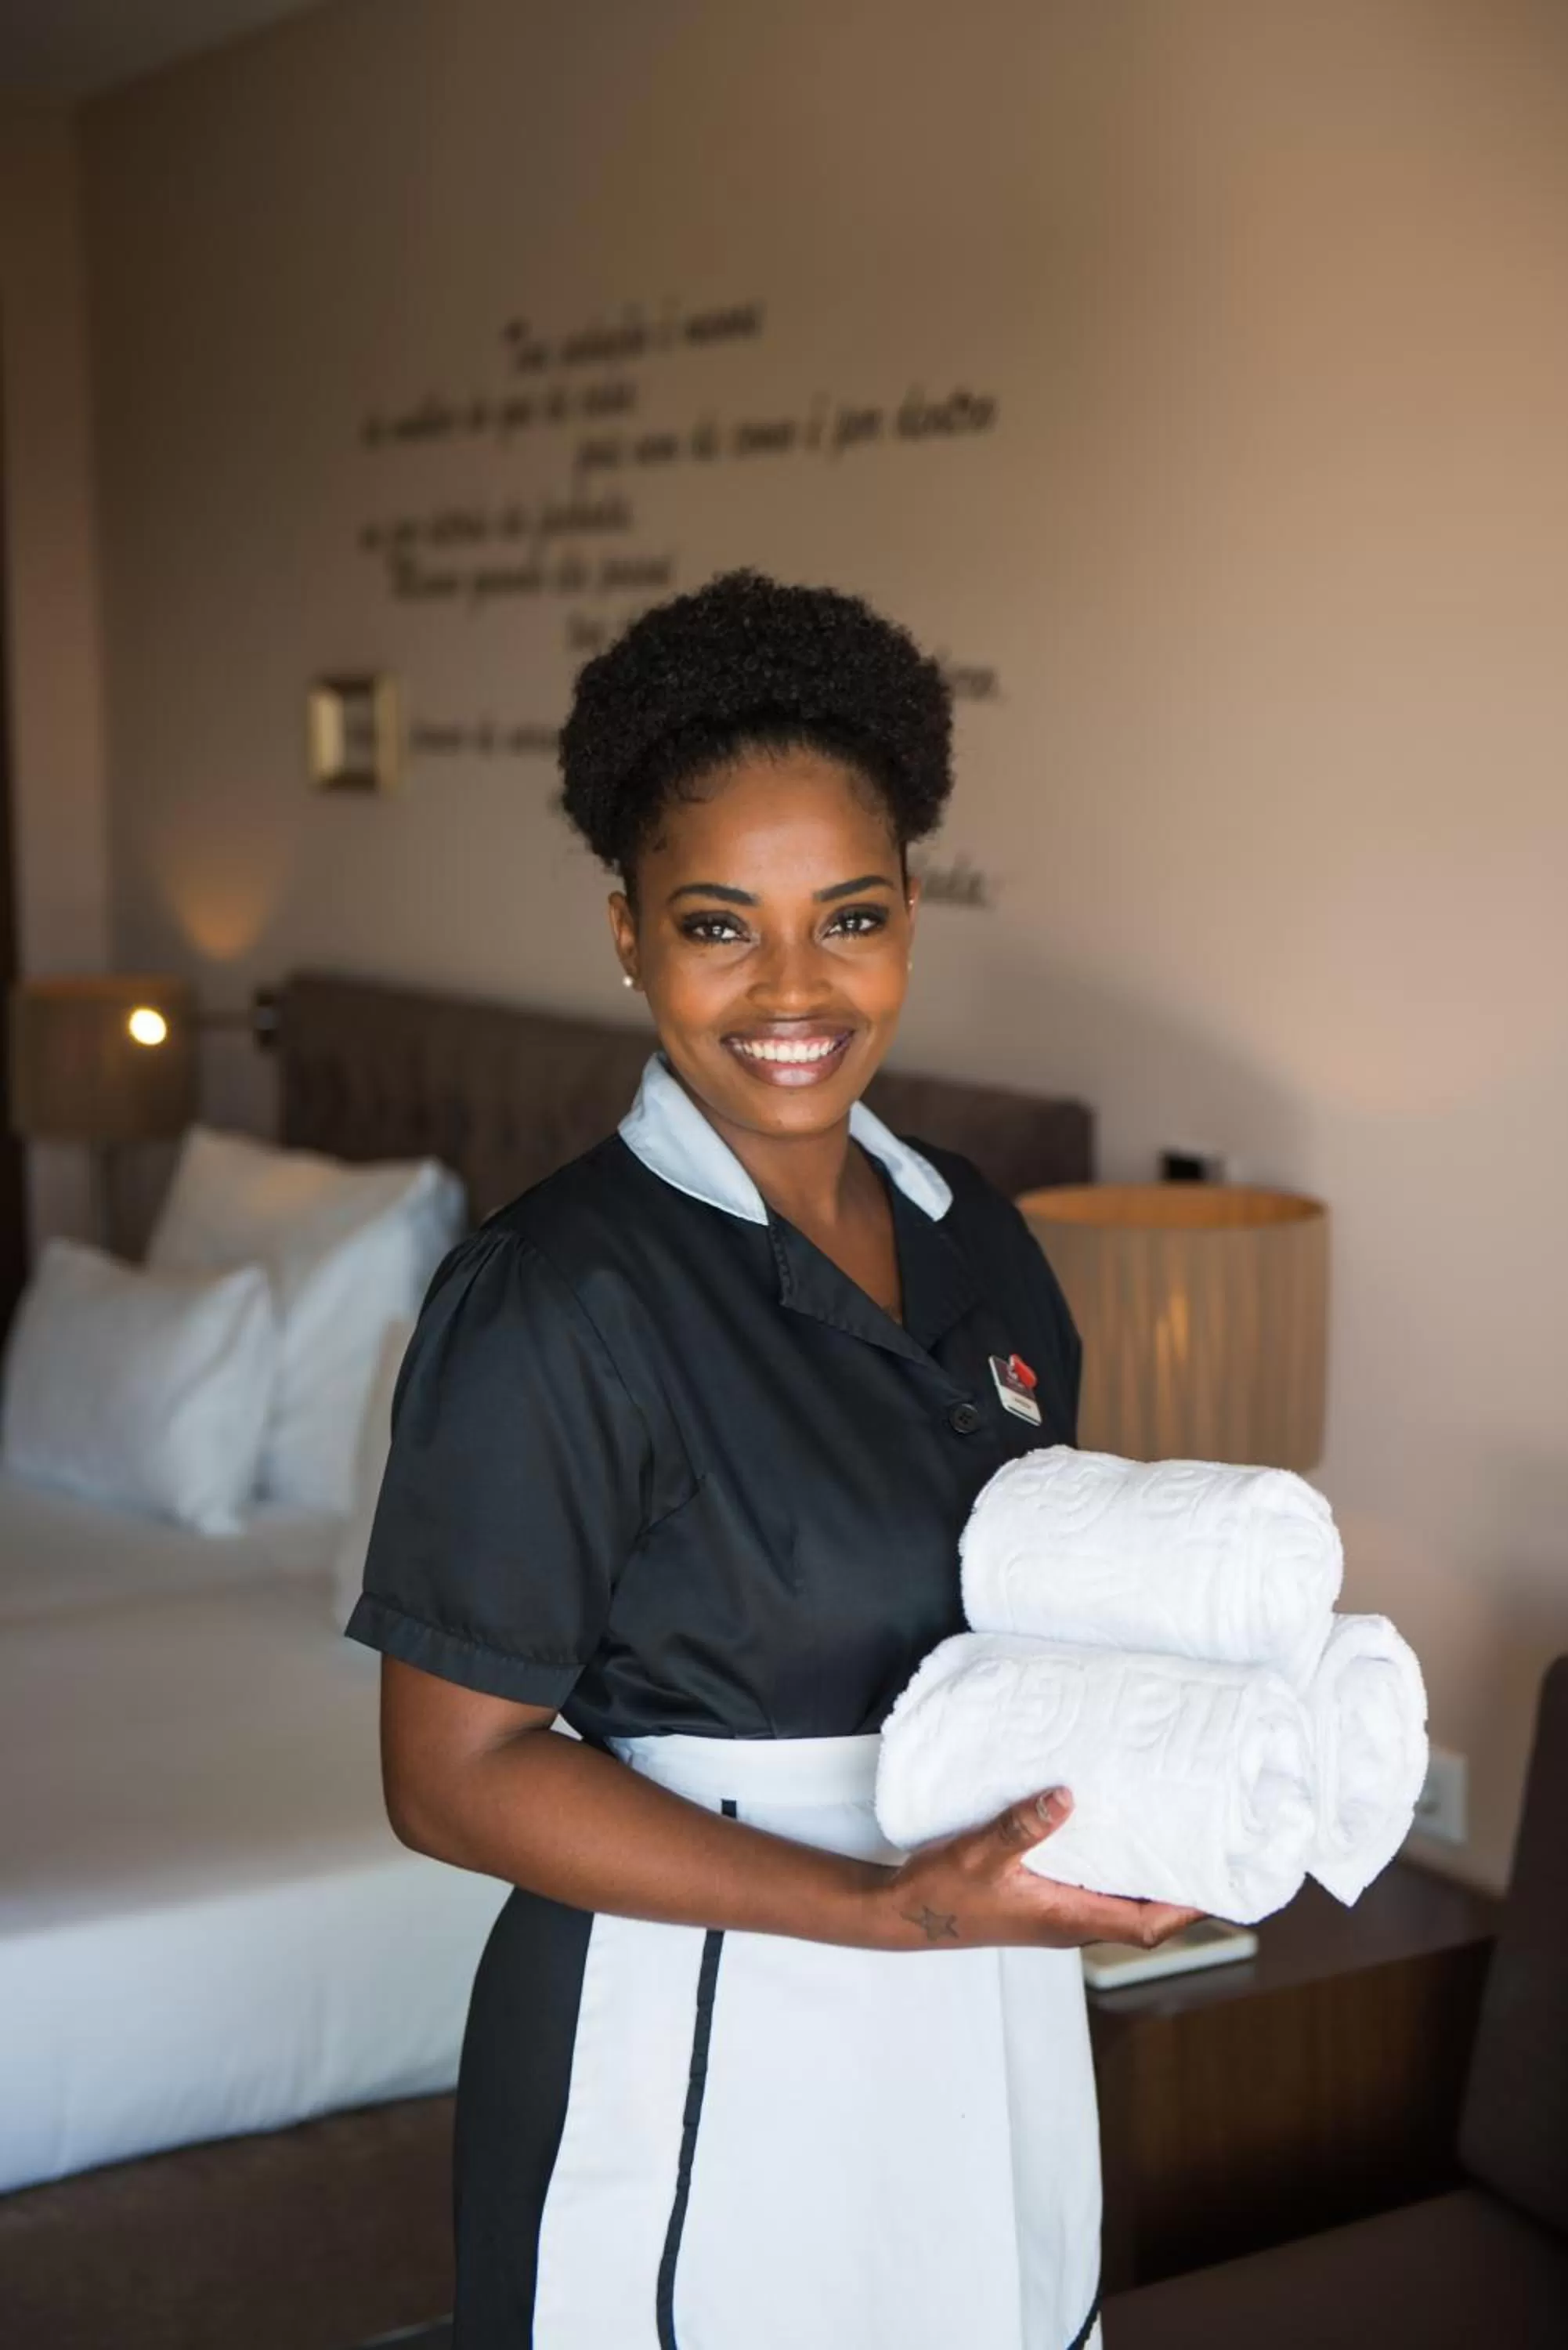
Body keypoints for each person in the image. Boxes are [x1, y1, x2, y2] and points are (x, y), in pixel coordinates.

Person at [345, 568, 1203, 2350]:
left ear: (910, 921)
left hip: (974, 2005)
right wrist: (882, 1908)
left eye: (850, 917)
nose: (794, 989)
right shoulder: (558, 1294)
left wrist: (1161, 1811)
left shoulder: (979, 1234)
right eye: (720, 925)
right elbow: (450, 1777)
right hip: (688, 2034)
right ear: (628, 935)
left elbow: (1036, 1618)